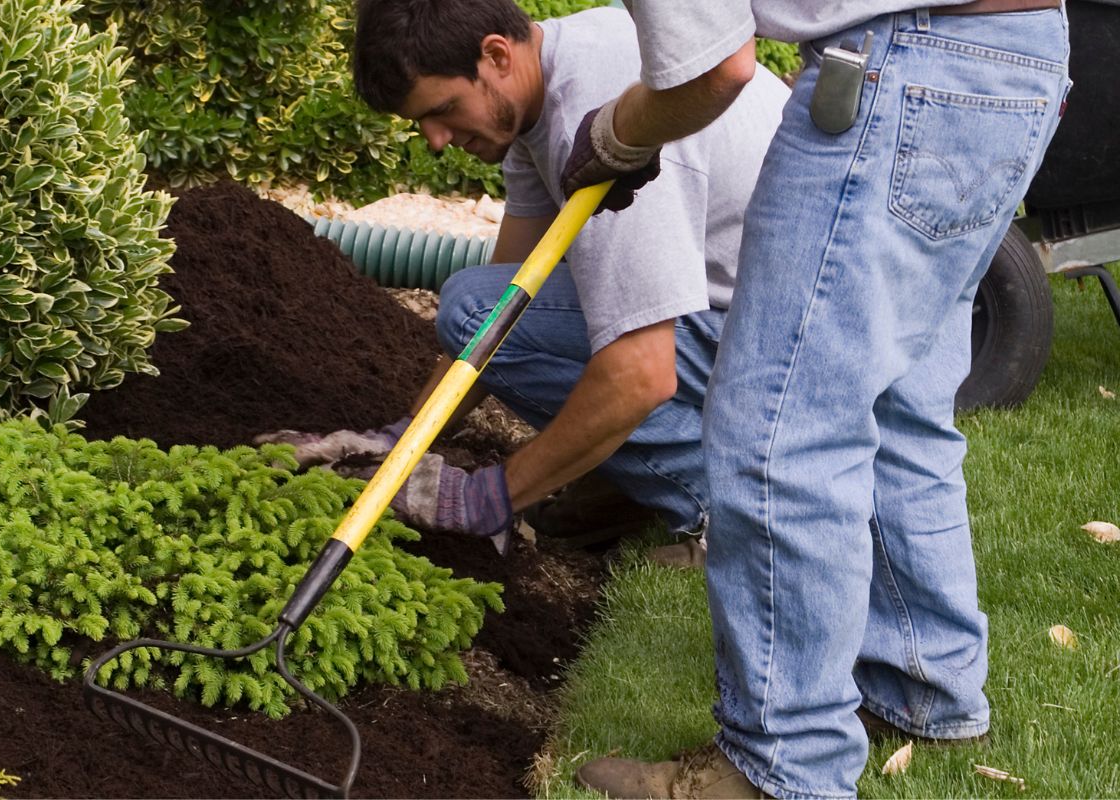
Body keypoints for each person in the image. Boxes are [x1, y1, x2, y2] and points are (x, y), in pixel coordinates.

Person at [564, 2, 1072, 798]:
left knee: (779, 432)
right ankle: (921, 682)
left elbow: (715, 69)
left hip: (900, 69)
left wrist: (613, 137)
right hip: (1018, 56)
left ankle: (780, 765)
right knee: (898, 404)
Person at [257, 0, 788, 561]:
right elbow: (500, 315)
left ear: (496, 55)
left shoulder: (609, 125)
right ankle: (630, 474)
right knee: (479, 310)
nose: (436, 140)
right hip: (737, 311)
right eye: (421, 123)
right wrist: (403, 440)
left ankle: (734, 510)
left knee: (476, 311)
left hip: (781, 347)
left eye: (442, 110)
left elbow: (641, 374)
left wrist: (489, 496)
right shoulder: (543, 91)